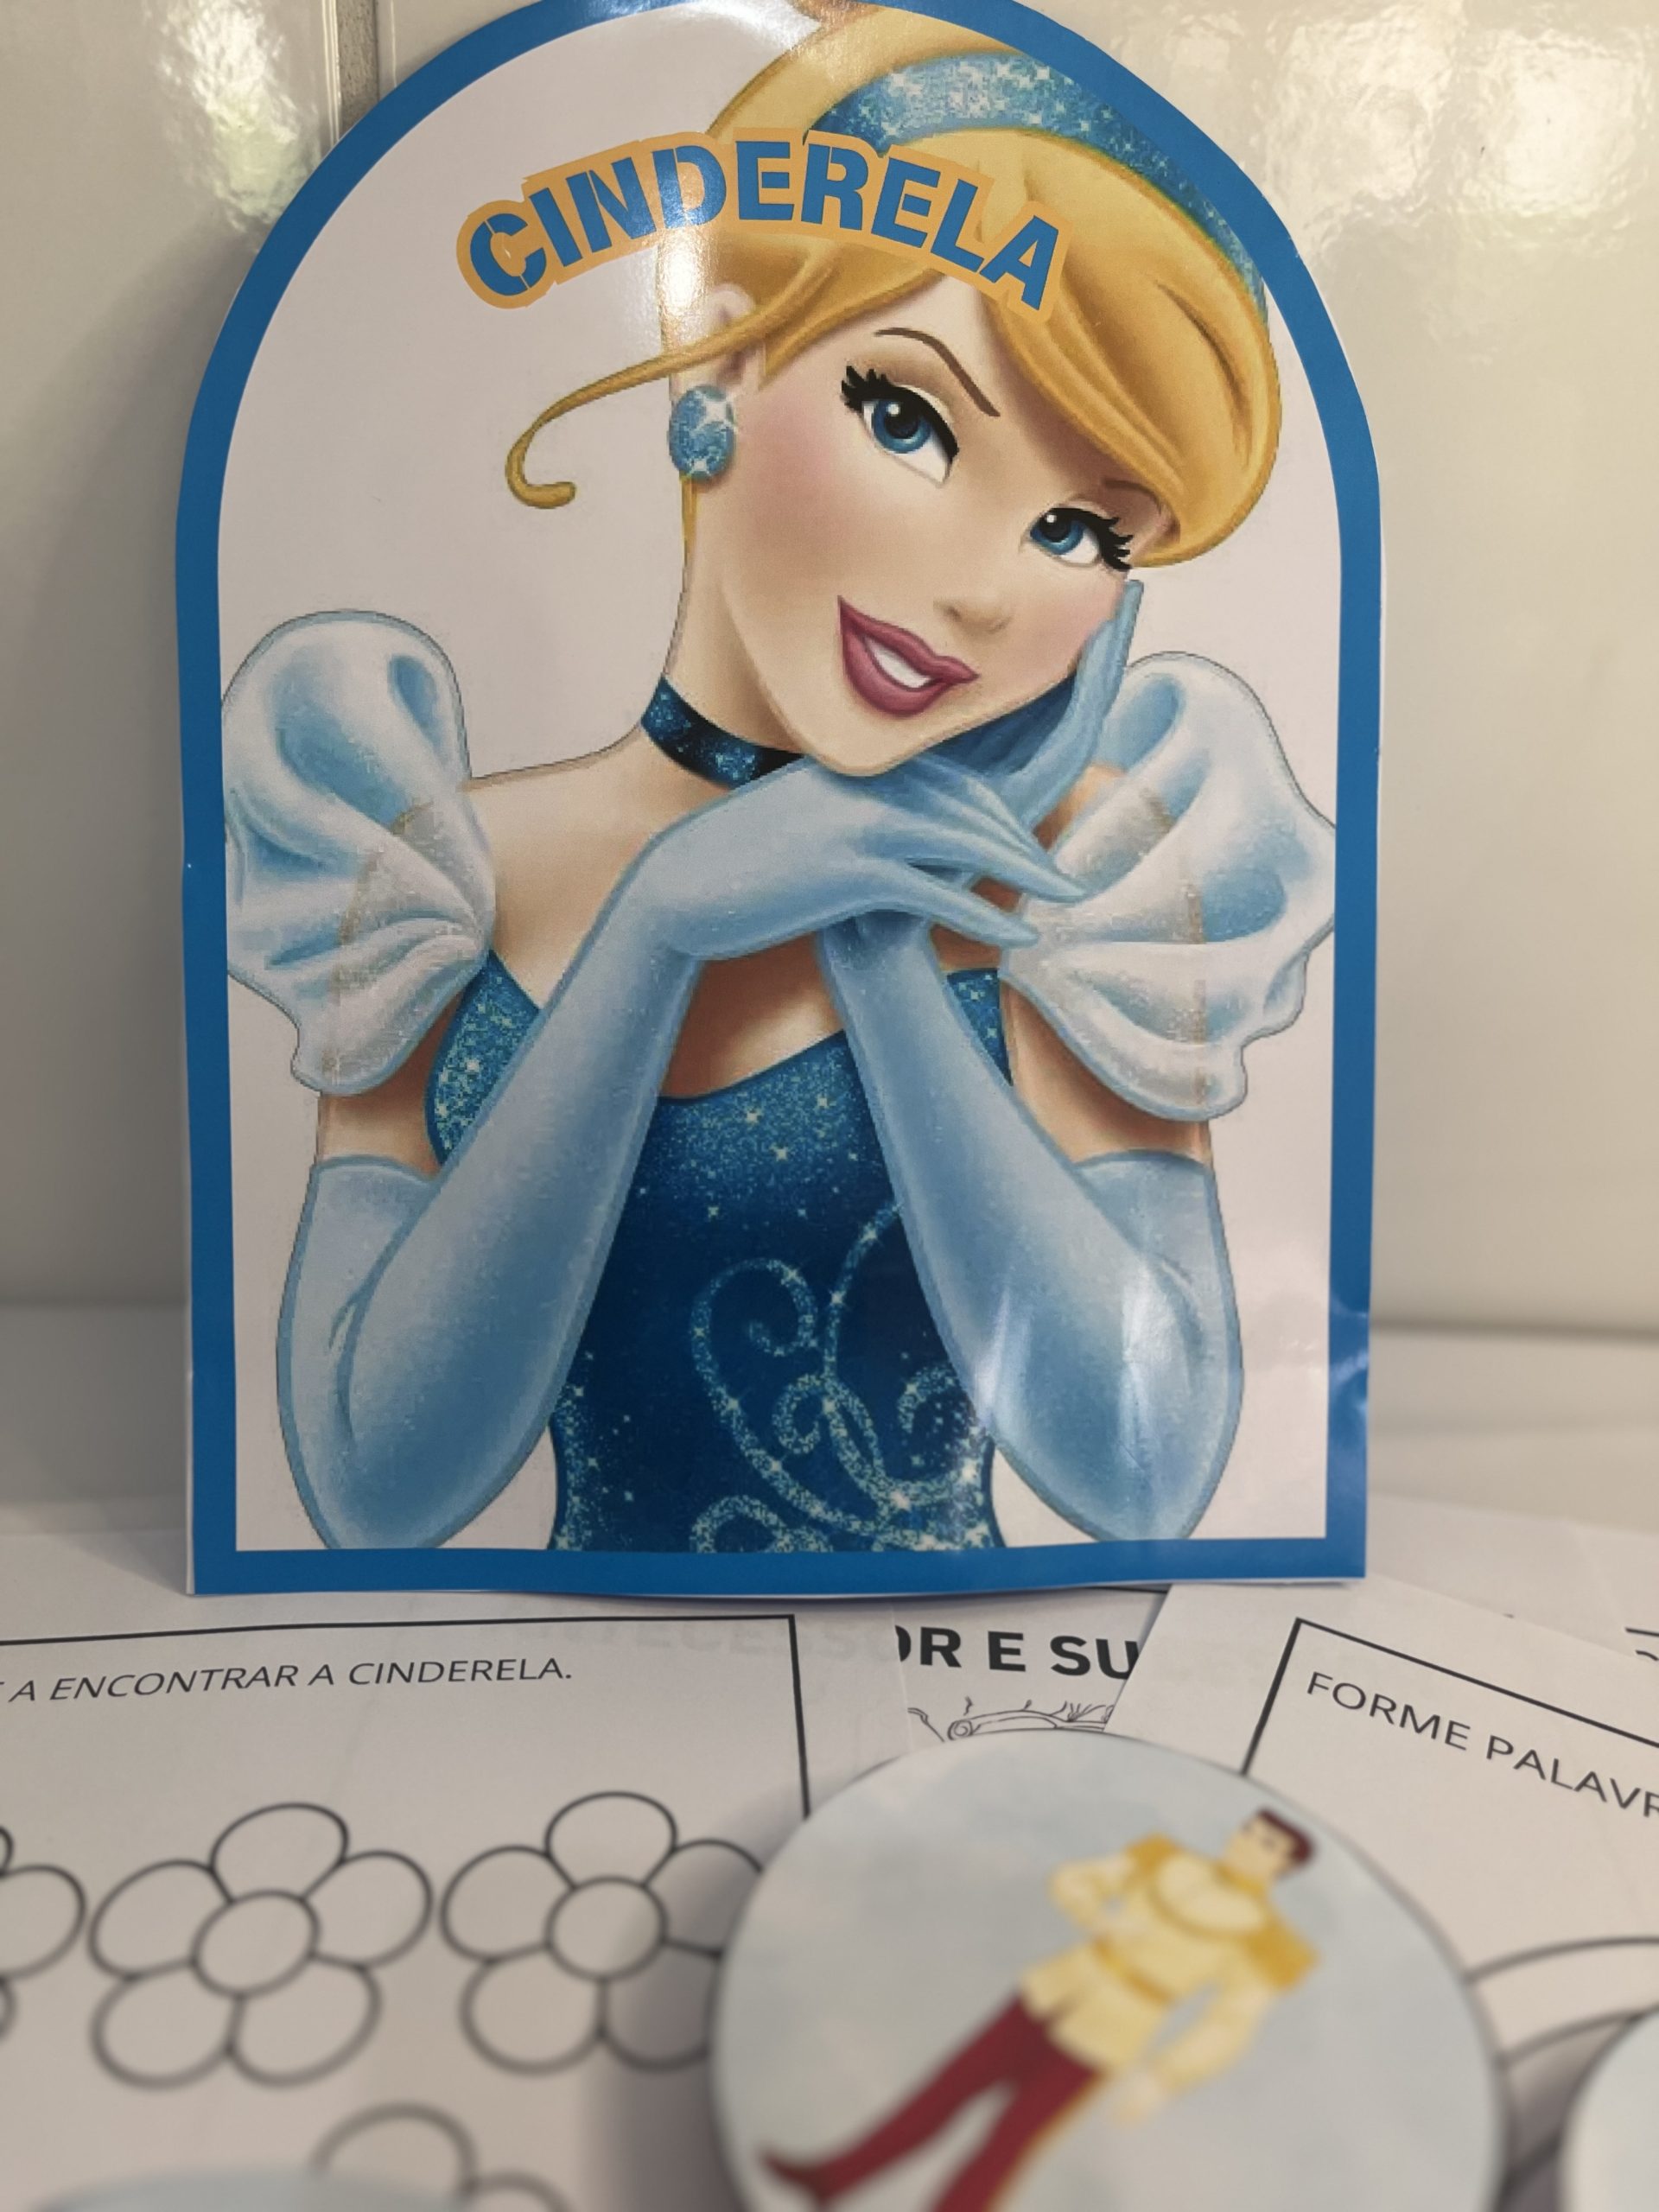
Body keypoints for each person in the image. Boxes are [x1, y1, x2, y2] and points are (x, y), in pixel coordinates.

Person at [224, 5, 1334, 1558]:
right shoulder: (440, 863)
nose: (980, 593)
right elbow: (368, 1486)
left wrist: (875, 922)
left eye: (1080, 532)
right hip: (557, 1686)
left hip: (961, 1674)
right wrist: (655, 926)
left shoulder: (1084, 888)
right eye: (908, 419)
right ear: (726, 359)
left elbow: (1146, 1474)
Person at [763, 1809, 1319, 2209]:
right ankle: (832, 2179)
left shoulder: (1267, 1941)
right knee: (944, 2090)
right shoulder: (1164, 1859)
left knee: (1008, 2142)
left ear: (1284, 1866)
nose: (1249, 1844)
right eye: (1250, 1830)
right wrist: (1098, 1916)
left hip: (1110, 2032)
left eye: (1268, 1844)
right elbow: (1079, 1878)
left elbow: (1230, 2023)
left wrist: (1166, 2076)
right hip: (1053, 1990)